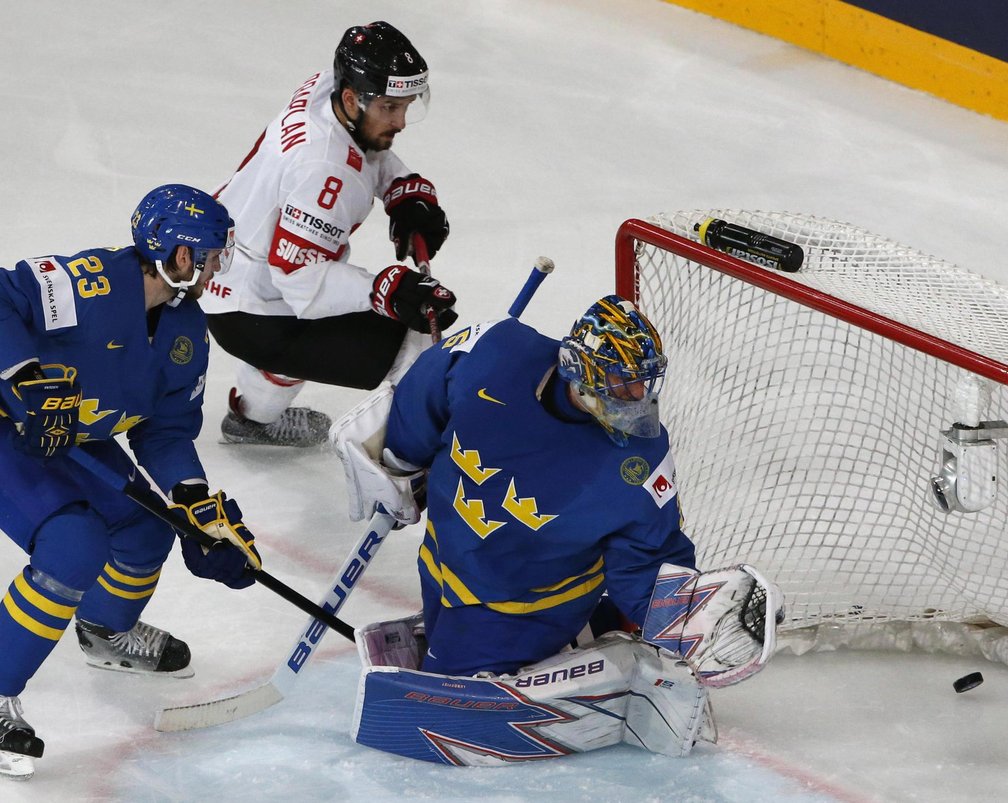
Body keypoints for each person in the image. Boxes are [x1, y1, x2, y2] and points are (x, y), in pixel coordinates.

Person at [331, 295, 783, 763]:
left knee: (452, 686)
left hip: (525, 608)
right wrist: (400, 460)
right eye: (621, 382)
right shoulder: (494, 351)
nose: (636, 397)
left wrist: (681, 615)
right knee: (443, 625)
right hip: (443, 560)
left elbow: (647, 554)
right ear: (577, 369)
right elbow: (427, 386)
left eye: (643, 383)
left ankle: (575, 632)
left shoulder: (637, 461)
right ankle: (595, 629)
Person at [0, 185, 263, 779]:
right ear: (174, 253)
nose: (218, 265)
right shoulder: (90, 283)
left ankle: (102, 629)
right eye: (211, 254)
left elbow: (165, 432)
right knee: (73, 543)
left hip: (71, 439)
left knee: (146, 527)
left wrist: (194, 501)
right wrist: (23, 378)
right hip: (4, 426)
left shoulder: (184, 331)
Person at [200, 20, 458, 448]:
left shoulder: (327, 91)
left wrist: (403, 190)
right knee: (413, 342)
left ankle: (253, 420)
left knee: (318, 316)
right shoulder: (323, 170)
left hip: (229, 273)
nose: (402, 121)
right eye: (390, 109)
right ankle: (416, 457)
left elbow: (362, 150)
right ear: (354, 98)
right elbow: (300, 284)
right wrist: (387, 289)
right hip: (255, 312)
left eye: (406, 106)